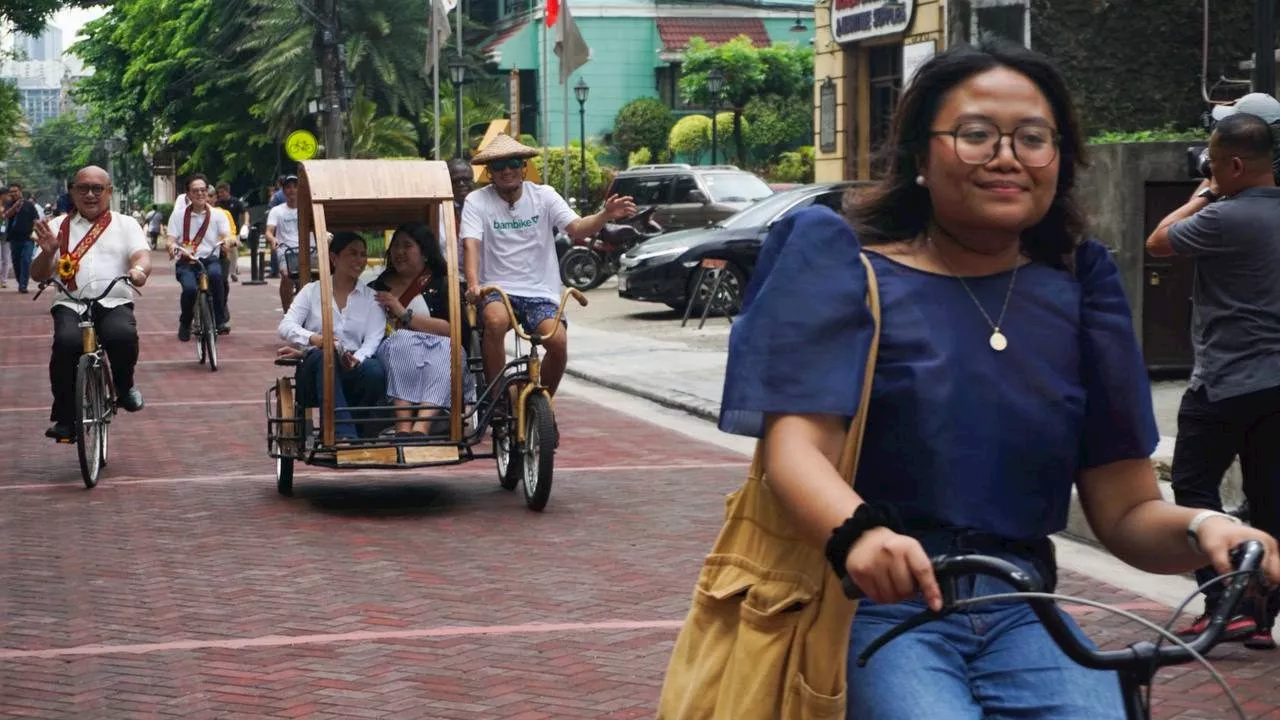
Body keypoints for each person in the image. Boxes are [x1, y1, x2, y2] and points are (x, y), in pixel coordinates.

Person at [717, 42, 1280, 720]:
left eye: (1034, 139)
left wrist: (1205, 529)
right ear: (920, 156)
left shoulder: (1079, 288)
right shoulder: (845, 269)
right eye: (976, 135)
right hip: (871, 606)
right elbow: (796, 449)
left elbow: (1126, 512)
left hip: (1023, 610)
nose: (1008, 156)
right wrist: (860, 535)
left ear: (1059, 160)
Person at [1145, 107, 1280, 650]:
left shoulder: (1224, 216)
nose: (1211, 169)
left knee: (1193, 491)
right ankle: (1261, 617)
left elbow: (1159, 240)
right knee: (1270, 500)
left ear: (1237, 164)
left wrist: (1205, 192)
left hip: (1225, 380)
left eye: (1217, 162)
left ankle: (1225, 601)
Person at [460, 134, 635, 401]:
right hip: (497, 289)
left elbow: (576, 227)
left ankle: (541, 403)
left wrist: (605, 215)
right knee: (494, 322)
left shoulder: (544, 196)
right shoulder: (477, 201)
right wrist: (473, 284)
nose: (507, 170)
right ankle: (499, 397)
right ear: (489, 173)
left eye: (513, 163)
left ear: (524, 167)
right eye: (498, 166)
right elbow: (471, 244)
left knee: (558, 343)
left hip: (540, 292)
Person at [29, 166, 151, 441]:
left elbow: (142, 256)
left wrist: (139, 271)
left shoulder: (125, 224)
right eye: (83, 188)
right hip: (71, 303)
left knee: (121, 335)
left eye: (97, 188)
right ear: (72, 191)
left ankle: (125, 387)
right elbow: (37, 274)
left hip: (113, 299)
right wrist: (48, 253)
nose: (90, 194)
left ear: (109, 192)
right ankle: (65, 417)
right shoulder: (57, 226)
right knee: (66, 344)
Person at [277, 232, 387, 441]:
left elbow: (373, 338)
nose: (359, 260)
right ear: (334, 258)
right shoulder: (311, 291)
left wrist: (357, 359)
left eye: (363, 254)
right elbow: (286, 326)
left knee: (375, 370)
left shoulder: (372, 298)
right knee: (324, 357)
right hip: (316, 363)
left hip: (354, 362)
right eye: (352, 254)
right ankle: (343, 434)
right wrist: (313, 339)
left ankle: (360, 433)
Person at [369, 222, 471, 435]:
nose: (399, 252)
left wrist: (404, 314)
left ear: (424, 253)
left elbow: (456, 331)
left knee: (448, 349)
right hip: (394, 352)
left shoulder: (444, 285)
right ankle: (403, 427)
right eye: (395, 246)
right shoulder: (377, 288)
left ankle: (422, 427)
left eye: (407, 246)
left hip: (439, 353)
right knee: (402, 342)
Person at [168, 174, 232, 340]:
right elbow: (171, 241)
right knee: (189, 289)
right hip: (187, 261)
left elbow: (227, 235)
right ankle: (185, 322)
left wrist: (228, 241)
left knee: (217, 276)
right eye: (195, 191)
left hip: (210, 258)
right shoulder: (178, 215)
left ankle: (219, 319)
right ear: (188, 194)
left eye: (203, 190)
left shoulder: (218, 215)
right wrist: (175, 249)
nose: (200, 194)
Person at [266, 175, 303, 312]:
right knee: (287, 276)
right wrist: (273, 239)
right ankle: (287, 312)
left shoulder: (308, 208)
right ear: (284, 190)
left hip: (307, 248)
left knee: (307, 280)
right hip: (285, 249)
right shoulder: (277, 211)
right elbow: (269, 231)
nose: (292, 190)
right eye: (288, 187)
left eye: (295, 186)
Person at [5, 182, 40, 293]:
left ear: (20, 191)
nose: (13, 194)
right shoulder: (8, 203)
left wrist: (35, 233)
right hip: (14, 238)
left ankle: (23, 285)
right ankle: (21, 282)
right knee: (16, 262)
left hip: (28, 238)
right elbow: (6, 215)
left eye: (15, 191)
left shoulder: (29, 205)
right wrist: (15, 207)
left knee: (25, 260)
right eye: (11, 192)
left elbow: (36, 220)